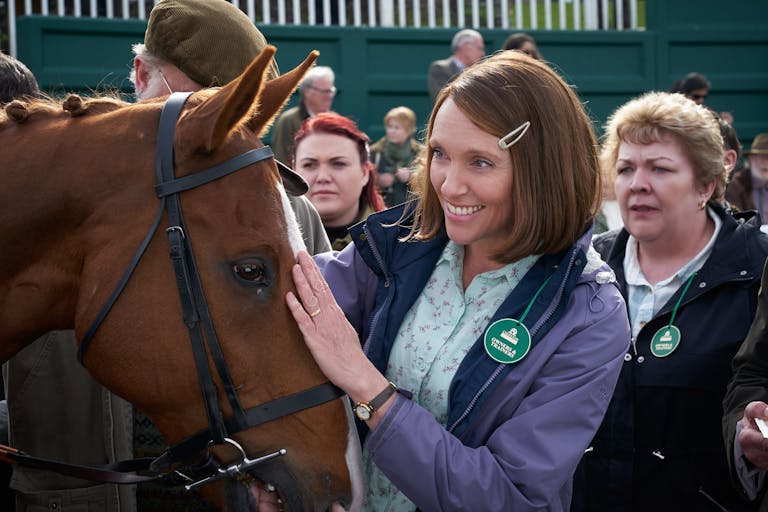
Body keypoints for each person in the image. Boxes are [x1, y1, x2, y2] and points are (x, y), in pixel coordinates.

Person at [3, 2, 331, 512]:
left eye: (238, 115)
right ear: (140, 75)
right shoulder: (53, 194)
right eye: (201, 104)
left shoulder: (294, 216)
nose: (214, 133)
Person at [277, 50, 630, 511]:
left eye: (481, 162)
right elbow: (273, 307)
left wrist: (368, 387)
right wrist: (289, 489)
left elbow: (509, 497)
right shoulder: (400, 246)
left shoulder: (587, 312)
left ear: (544, 170)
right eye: (440, 154)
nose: (449, 184)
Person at [571, 92, 768, 512]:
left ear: (705, 186)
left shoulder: (758, 271)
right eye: (625, 169)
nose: (638, 183)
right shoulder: (581, 269)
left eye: (660, 168)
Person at [292, 112, 385, 250]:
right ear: (293, 172)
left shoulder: (394, 243)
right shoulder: (266, 242)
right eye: (309, 165)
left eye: (338, 164)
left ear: (364, 173)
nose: (323, 177)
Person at [270, 65, 336, 163]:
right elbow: (281, 158)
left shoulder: (335, 120)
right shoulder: (288, 120)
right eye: (325, 91)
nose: (330, 96)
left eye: (331, 91)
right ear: (307, 92)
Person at [369, 106, 422, 207]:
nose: (392, 131)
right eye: (390, 126)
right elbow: (362, 182)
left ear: (409, 130)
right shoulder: (375, 152)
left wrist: (412, 177)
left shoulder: (420, 153)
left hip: (411, 212)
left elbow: (430, 184)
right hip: (381, 210)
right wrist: (378, 180)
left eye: (397, 127)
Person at [427, 28, 484, 102]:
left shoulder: (480, 71)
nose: (482, 53)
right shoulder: (440, 68)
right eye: (479, 48)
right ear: (465, 46)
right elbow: (441, 97)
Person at [726, 133, 768, 220]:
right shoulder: (735, 186)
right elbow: (737, 221)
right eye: (762, 157)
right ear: (750, 159)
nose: (766, 163)